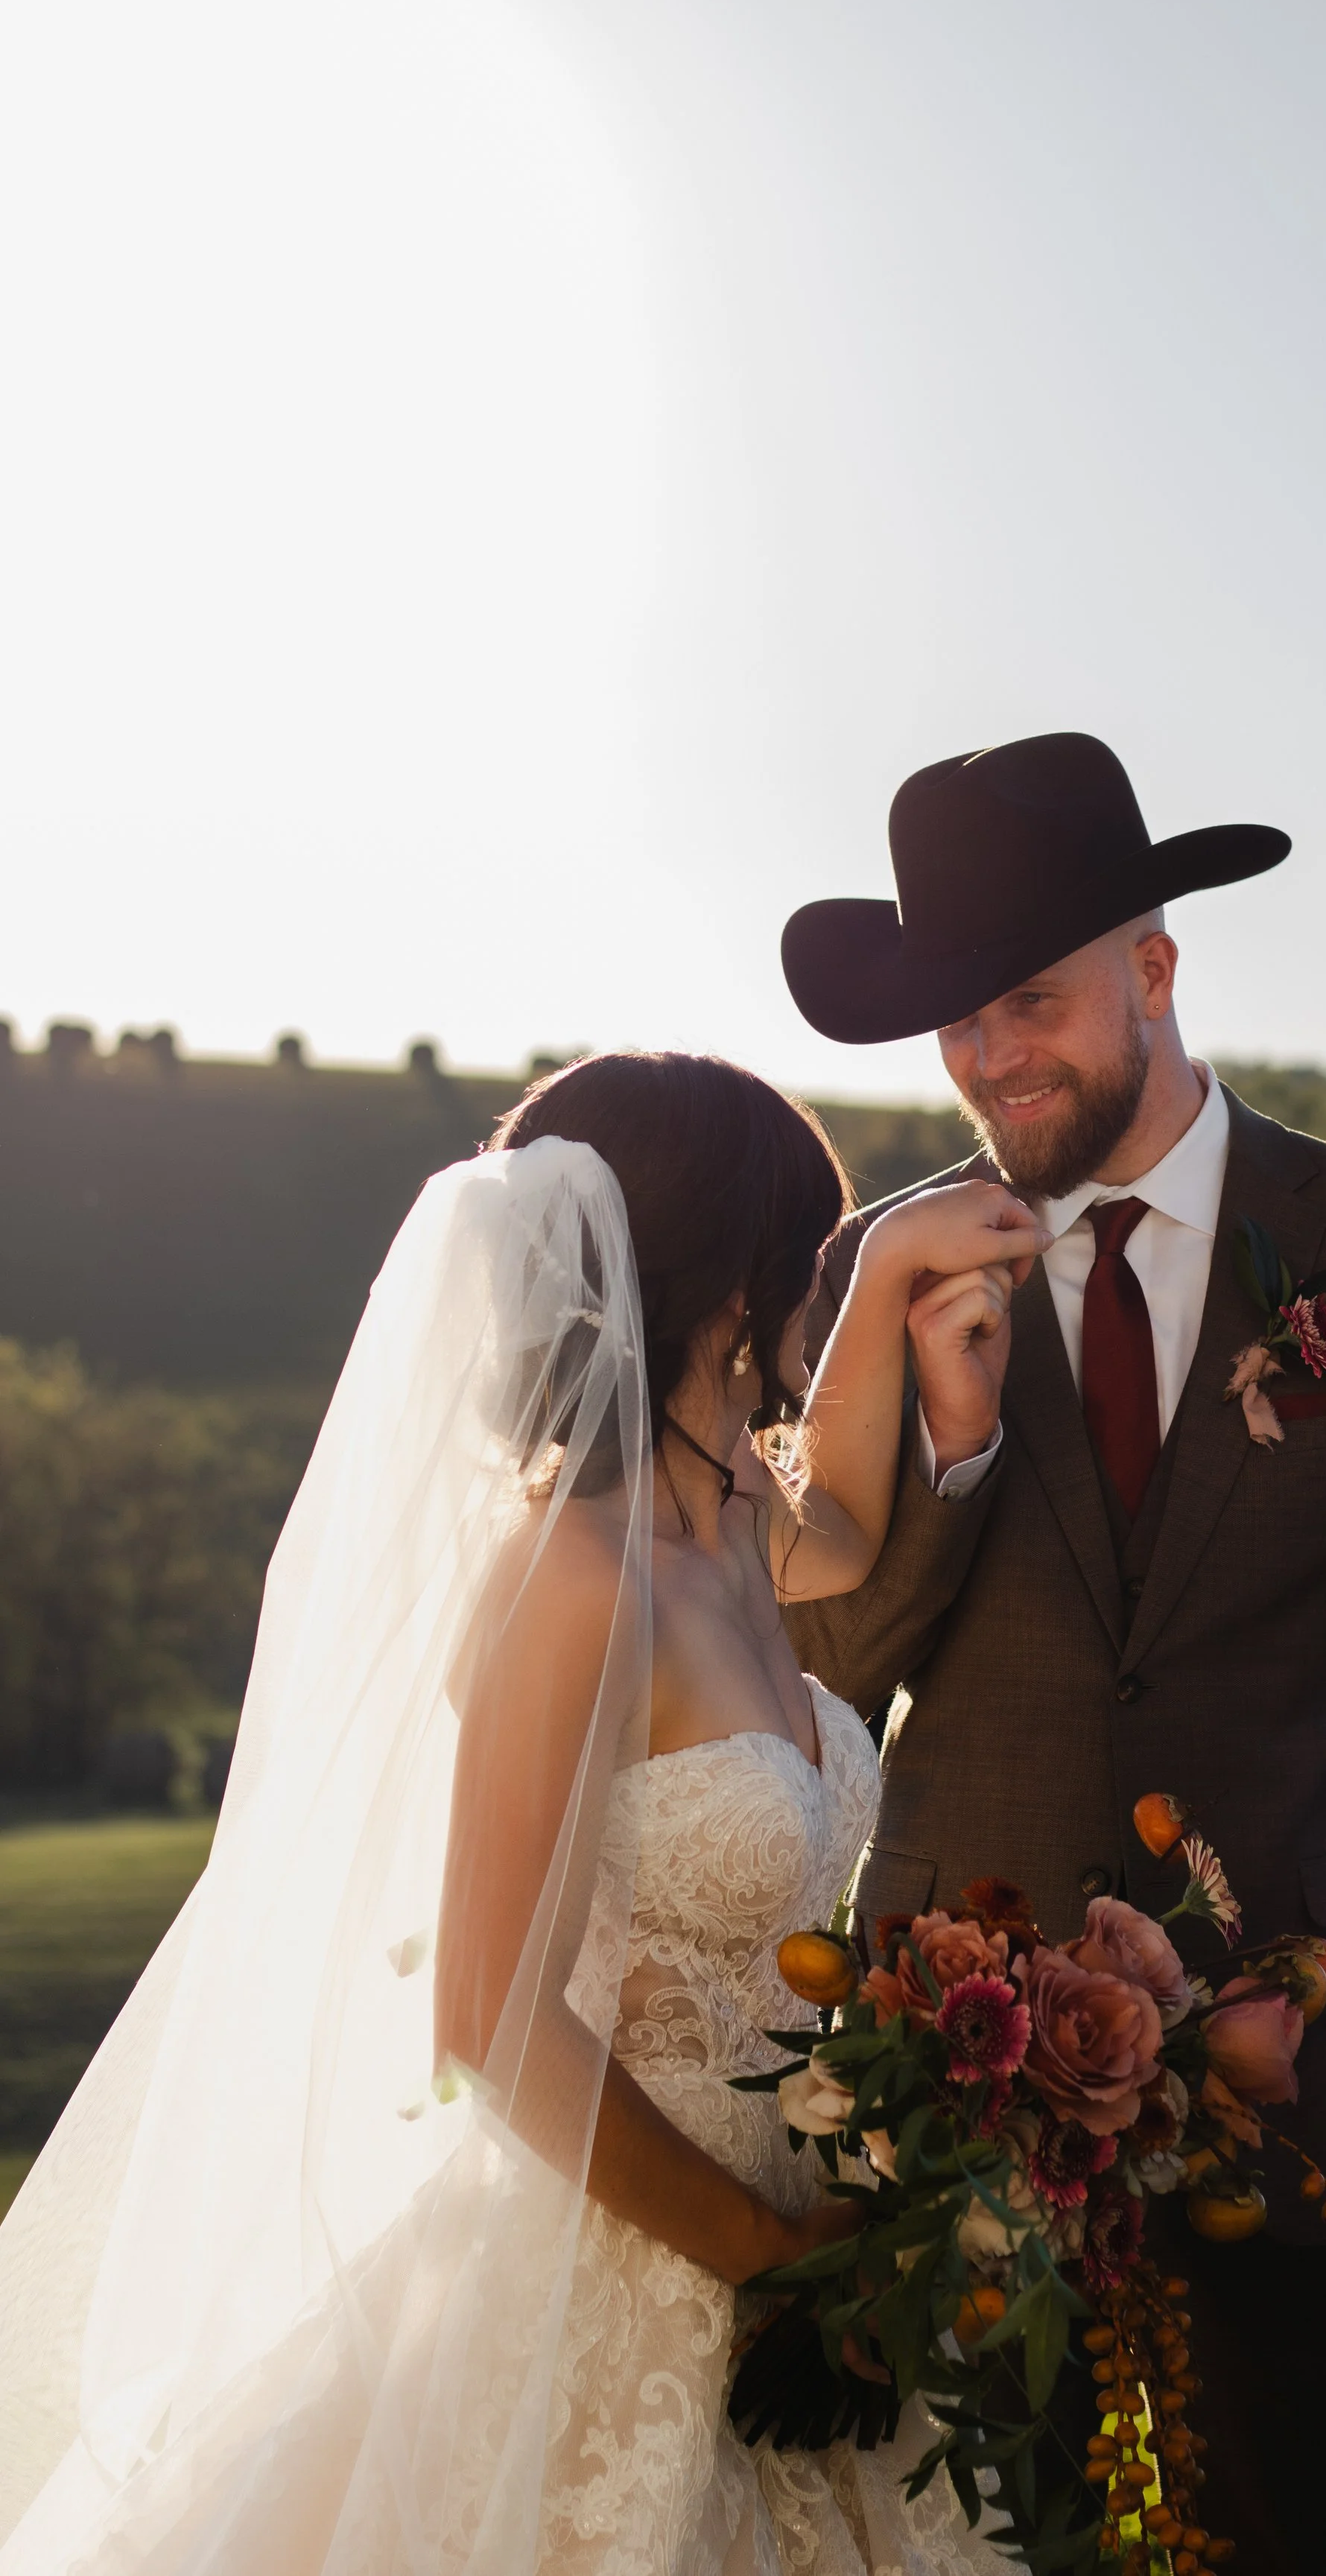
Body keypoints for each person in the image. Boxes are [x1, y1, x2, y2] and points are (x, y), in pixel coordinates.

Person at [0, 1050, 1049, 2576]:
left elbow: (855, 1521)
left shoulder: (743, 1519)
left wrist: (901, 1290)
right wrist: (760, 2257)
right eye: (811, 1258)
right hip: (615, 2248)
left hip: (803, 2227)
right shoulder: (567, 1580)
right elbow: (488, 2014)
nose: (820, 1294)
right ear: (734, 1285)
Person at [781, 734, 1326, 2576]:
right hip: (952, 2111)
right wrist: (953, 1455)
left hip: (1300, 2091)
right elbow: (824, 1662)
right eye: (954, 1023)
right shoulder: (879, 1274)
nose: (988, 1058)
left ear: (1153, 962)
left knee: (1310, 2534)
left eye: (1029, 1002)